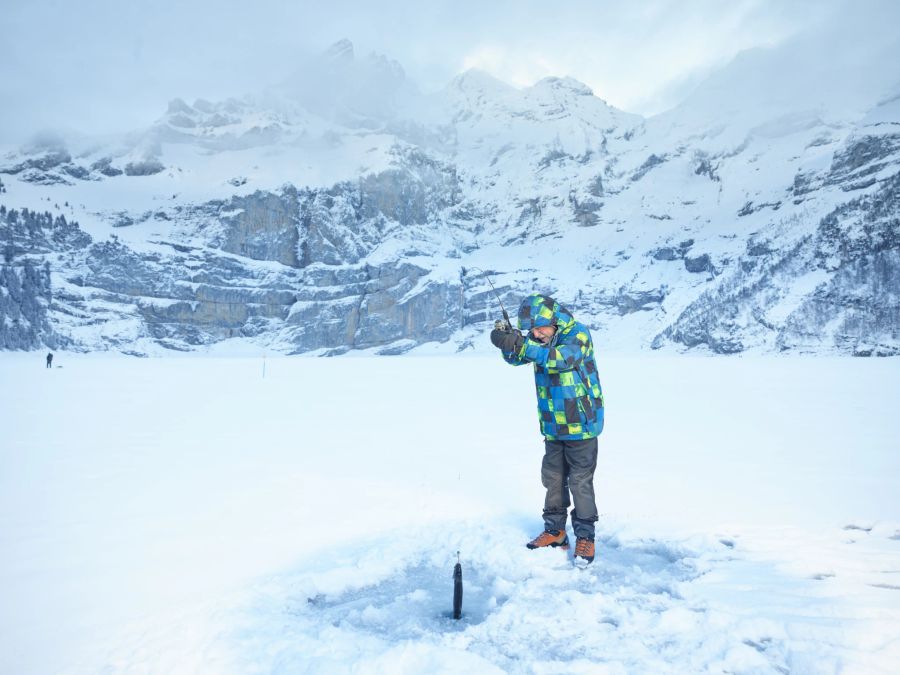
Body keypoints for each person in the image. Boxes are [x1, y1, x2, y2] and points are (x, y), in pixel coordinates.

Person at [490, 294, 604, 564]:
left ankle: (585, 536)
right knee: (552, 478)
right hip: (553, 424)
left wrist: (522, 344)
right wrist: (507, 343)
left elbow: (559, 360)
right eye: (532, 330)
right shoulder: (540, 339)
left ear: (555, 321)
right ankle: (555, 531)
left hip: (581, 424)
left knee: (579, 481)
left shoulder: (578, 335)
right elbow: (517, 358)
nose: (536, 334)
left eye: (540, 328)